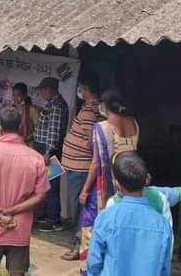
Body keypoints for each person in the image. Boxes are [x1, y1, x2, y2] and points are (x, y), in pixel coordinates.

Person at [0, 107, 50, 276]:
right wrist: (11, 212)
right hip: (19, 227)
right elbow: (40, 196)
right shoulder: (36, 158)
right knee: (17, 272)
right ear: (20, 128)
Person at [78, 87, 138, 275]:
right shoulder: (134, 123)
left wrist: (85, 190)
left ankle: (92, 267)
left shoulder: (102, 127)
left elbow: (96, 163)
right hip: (131, 183)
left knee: (92, 225)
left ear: (103, 106)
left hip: (107, 186)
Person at [86, 151, 172, 276]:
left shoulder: (105, 218)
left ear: (116, 184)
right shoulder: (162, 224)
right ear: (147, 179)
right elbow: (164, 268)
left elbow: (94, 263)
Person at [60, 71, 101, 260]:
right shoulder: (93, 109)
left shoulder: (88, 110)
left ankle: (79, 244)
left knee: (78, 206)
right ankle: (80, 242)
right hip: (77, 166)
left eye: (82, 89)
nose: (81, 92)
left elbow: (90, 142)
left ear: (87, 89)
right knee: (78, 204)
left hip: (79, 167)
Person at [33, 76, 70, 232]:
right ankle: (48, 214)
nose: (40, 93)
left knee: (51, 184)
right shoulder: (54, 103)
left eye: (42, 90)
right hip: (47, 148)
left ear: (49, 90)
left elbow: (53, 131)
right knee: (46, 182)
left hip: (50, 150)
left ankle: (54, 220)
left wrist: (48, 152)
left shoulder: (56, 106)